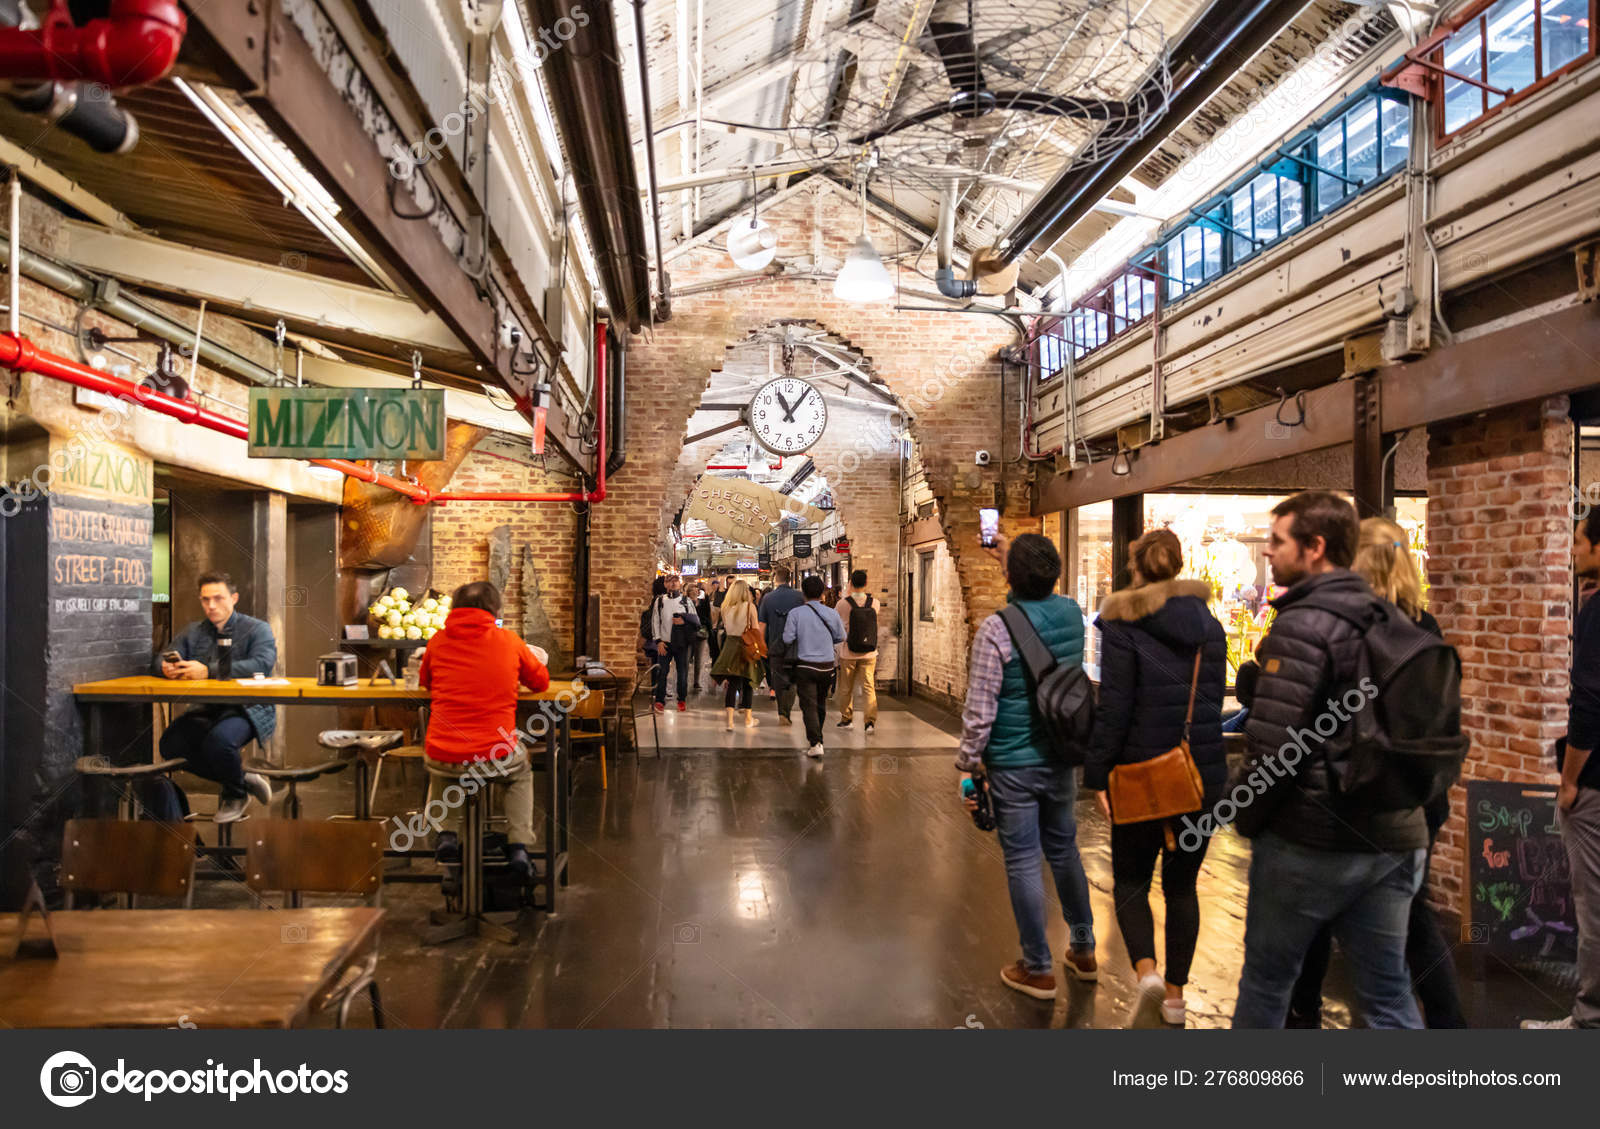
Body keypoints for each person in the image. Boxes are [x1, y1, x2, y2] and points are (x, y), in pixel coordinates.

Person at [1230, 492, 1429, 1029]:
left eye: (1278, 541)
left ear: (1315, 548)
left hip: (1312, 837)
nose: (1268, 552)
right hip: (1394, 835)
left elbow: (1274, 748)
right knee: (1388, 995)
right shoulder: (1396, 619)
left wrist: (1243, 818)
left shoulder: (1302, 625)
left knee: (1267, 983)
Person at [1289, 515, 1467, 1029]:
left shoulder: (1341, 628)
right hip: (1416, 800)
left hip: (1349, 795)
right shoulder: (1426, 628)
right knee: (1413, 919)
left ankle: (1302, 1012)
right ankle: (1449, 1025)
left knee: (1317, 912)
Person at [1084, 529, 1226, 1027]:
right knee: (1182, 887)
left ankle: (1145, 970)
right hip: (1200, 777)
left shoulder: (1124, 622)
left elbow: (1115, 707)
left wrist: (1097, 773)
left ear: (1138, 567)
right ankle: (1175, 998)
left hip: (1142, 773)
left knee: (1129, 880)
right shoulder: (1210, 626)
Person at [957, 533, 1097, 1000]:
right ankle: (1083, 947)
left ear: (1009, 576)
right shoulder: (1073, 615)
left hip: (1013, 763)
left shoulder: (997, 629)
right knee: (1064, 850)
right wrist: (1011, 558)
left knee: (1022, 860)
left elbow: (981, 709)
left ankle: (1038, 967)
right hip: (1060, 755)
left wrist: (967, 764)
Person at [1524, 509, 1600, 1028]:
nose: (1573, 550)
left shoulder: (1597, 612)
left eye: (1579, 541)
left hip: (1596, 781)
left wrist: (1570, 780)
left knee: (1593, 906)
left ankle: (1589, 1020)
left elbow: (1589, 702)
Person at [418, 581, 550, 878]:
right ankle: (518, 846)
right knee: (521, 773)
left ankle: (447, 835)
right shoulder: (509, 641)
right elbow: (540, 682)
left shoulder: (437, 641)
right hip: (495, 753)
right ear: (495, 610)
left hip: (442, 753)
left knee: (446, 764)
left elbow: (425, 681)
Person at [154, 572, 277, 822]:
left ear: (234, 598)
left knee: (219, 742)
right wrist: (164, 667)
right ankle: (242, 779)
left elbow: (262, 664)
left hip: (248, 708)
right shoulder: (194, 632)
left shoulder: (257, 629)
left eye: (218, 598)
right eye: (205, 599)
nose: (211, 606)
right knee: (170, 745)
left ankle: (235, 794)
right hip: (207, 708)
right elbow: (162, 656)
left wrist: (207, 671)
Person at [782, 575, 846, 758]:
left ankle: (816, 742)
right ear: (822, 594)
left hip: (805, 666)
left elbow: (787, 638)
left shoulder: (796, 613)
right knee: (820, 703)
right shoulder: (832, 613)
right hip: (826, 666)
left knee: (808, 705)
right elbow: (841, 637)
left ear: (803, 593)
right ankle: (818, 739)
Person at [711, 579, 764, 731]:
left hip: (730, 645)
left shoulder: (725, 607)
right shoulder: (750, 607)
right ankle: (748, 719)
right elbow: (755, 629)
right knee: (748, 682)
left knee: (732, 683)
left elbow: (726, 628)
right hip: (746, 645)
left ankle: (729, 722)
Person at [835, 569, 879, 732]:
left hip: (848, 651)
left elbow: (837, 623)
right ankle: (869, 722)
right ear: (866, 583)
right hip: (869, 652)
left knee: (846, 687)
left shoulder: (842, 604)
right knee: (868, 686)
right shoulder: (875, 603)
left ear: (851, 583)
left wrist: (848, 593)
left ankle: (847, 719)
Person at [647, 573, 699, 713]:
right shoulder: (660, 601)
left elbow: (696, 621)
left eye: (676, 581)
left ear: (680, 583)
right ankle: (659, 701)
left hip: (681, 643)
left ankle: (681, 699)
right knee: (662, 672)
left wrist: (684, 621)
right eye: (670, 581)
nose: (673, 584)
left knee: (682, 673)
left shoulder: (686, 601)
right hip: (664, 643)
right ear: (665, 584)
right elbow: (655, 622)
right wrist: (658, 641)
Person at [759, 566, 805, 725]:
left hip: (775, 646)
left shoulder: (768, 599)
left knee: (778, 679)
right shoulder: (800, 597)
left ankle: (781, 712)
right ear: (790, 578)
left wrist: (761, 646)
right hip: (796, 646)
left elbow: (762, 625)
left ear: (775, 578)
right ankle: (788, 710)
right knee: (792, 679)